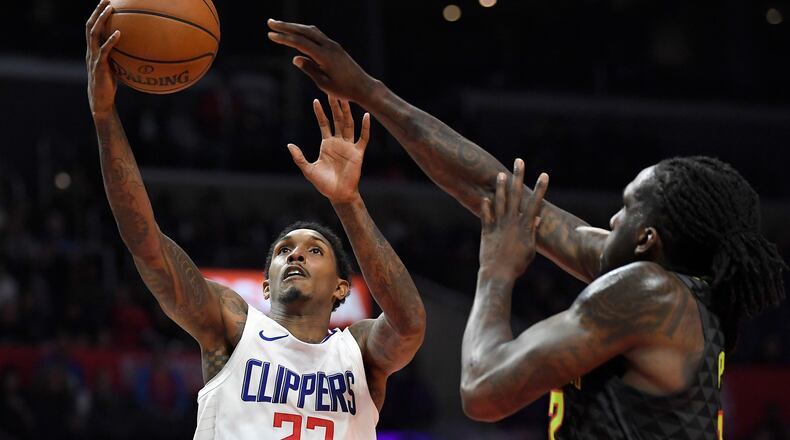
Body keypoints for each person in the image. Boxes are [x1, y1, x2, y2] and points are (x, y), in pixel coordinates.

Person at [267, 19, 787, 438]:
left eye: (627, 210)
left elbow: (484, 390)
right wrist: (371, 93)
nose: (610, 221)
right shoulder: (676, 294)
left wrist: (495, 272)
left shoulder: (649, 290)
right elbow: (496, 194)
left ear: (651, 239)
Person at [86, 3, 426, 439]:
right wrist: (104, 116)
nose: (296, 255)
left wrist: (347, 201)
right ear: (266, 284)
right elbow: (146, 244)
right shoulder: (232, 329)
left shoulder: (357, 352)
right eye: (284, 251)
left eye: (314, 250)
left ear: (342, 287)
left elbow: (409, 323)